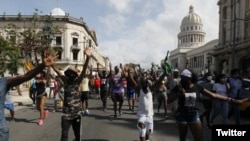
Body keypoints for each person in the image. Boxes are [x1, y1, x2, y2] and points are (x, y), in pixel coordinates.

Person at [167, 68, 243, 141]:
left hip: (194, 114)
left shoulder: (197, 87)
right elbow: (168, 100)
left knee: (199, 138)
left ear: (190, 78)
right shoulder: (178, 87)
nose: (182, 80)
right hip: (181, 114)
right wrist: (178, 94)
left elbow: (213, 95)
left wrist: (229, 99)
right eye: (182, 78)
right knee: (182, 138)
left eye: (184, 78)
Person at [0, 49, 57, 141]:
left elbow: (26, 76)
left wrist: (42, 65)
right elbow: (31, 76)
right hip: (37, 94)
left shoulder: (3, 82)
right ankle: (44, 111)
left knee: (41, 107)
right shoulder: (37, 79)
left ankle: (41, 118)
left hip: (43, 94)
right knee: (38, 107)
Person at [51, 47, 91, 141]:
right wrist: (51, 63)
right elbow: (57, 71)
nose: (71, 75)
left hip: (77, 114)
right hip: (66, 114)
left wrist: (88, 58)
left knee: (77, 136)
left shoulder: (78, 81)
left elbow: (84, 70)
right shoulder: (65, 81)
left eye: (72, 73)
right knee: (64, 135)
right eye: (69, 73)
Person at [137, 70, 166, 141]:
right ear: (141, 84)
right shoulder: (139, 90)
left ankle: (147, 138)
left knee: (148, 132)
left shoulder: (151, 89)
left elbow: (159, 81)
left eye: (146, 83)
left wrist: (164, 73)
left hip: (150, 115)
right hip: (141, 114)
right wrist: (128, 72)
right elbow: (131, 80)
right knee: (142, 130)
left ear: (147, 84)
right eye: (142, 83)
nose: (144, 84)